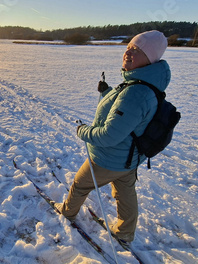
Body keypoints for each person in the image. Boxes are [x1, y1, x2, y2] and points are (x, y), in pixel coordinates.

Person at [55, 30, 171, 245]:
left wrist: (83, 131)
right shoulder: (144, 84)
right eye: (129, 47)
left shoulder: (135, 92)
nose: (129, 53)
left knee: (80, 185)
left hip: (109, 158)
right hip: (130, 157)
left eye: (137, 50)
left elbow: (109, 135)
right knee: (125, 193)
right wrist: (106, 92)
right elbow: (126, 115)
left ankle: (67, 212)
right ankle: (125, 232)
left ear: (151, 58)